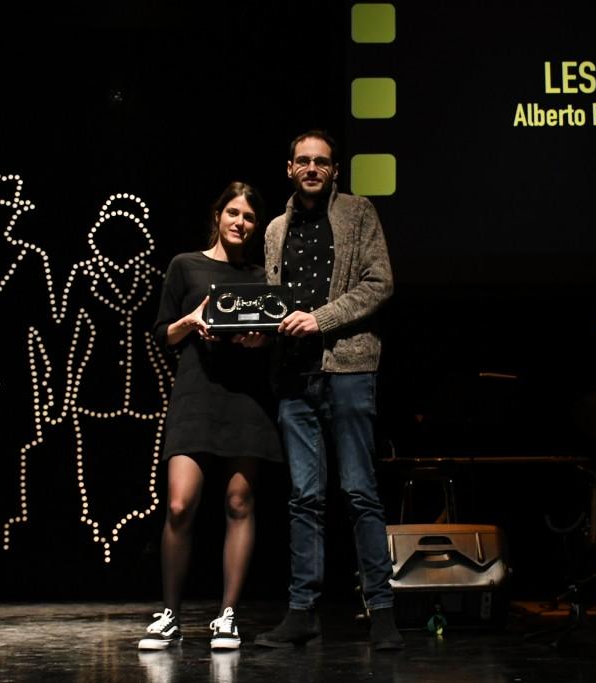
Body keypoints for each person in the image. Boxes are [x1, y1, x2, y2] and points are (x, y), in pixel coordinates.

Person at [253, 130, 403, 650]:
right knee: (304, 498)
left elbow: (380, 282)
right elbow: (272, 300)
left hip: (349, 370)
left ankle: (382, 611)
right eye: (303, 161)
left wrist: (321, 319)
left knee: (359, 491)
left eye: (321, 161)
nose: (312, 168)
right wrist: (259, 330)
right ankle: (302, 612)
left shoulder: (358, 213)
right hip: (294, 377)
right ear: (289, 168)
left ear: (335, 170)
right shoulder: (275, 228)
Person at [139, 181, 282, 651]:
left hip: (245, 399)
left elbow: (274, 337)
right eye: (233, 213)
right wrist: (191, 320)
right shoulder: (185, 265)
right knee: (180, 505)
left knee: (239, 503)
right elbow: (162, 334)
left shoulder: (262, 277)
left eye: (249, 217)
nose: (240, 223)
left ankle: (228, 615)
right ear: (218, 215)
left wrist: (261, 340)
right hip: (196, 395)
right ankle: (170, 615)